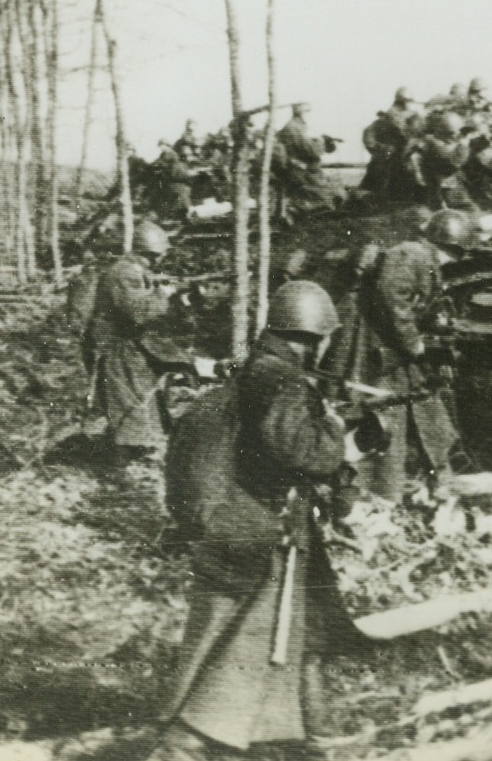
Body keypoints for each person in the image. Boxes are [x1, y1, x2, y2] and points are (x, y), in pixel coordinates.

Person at [151, 281, 364, 761]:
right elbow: (301, 450)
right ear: (313, 336)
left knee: (295, 627)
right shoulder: (281, 379)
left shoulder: (259, 367)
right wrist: (335, 434)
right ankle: (188, 739)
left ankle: (301, 728)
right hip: (263, 525)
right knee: (247, 638)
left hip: (246, 517)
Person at [323, 212, 467, 502]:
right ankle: (370, 486)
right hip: (365, 337)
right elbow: (391, 296)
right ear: (452, 247)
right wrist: (413, 342)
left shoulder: (420, 256)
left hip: (379, 336)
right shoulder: (413, 254)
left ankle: (428, 473)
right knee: (373, 405)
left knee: (412, 400)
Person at [86, 220, 185, 466]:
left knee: (140, 398)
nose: (162, 258)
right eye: (160, 254)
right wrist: (164, 294)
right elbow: (138, 311)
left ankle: (135, 453)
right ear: (152, 252)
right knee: (127, 402)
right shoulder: (125, 272)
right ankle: (119, 465)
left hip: (126, 345)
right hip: (115, 347)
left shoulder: (133, 270)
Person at [275, 103, 340, 218]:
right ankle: (296, 213)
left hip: (302, 171)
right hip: (301, 172)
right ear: (300, 114)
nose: (310, 116)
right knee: (326, 197)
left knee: (333, 192)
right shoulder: (294, 128)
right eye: (308, 112)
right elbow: (311, 151)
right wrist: (321, 141)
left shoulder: (296, 127)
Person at [361, 87, 421, 198]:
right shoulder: (382, 121)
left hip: (405, 165)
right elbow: (368, 139)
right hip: (386, 166)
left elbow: (418, 139)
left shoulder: (414, 120)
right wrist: (383, 149)